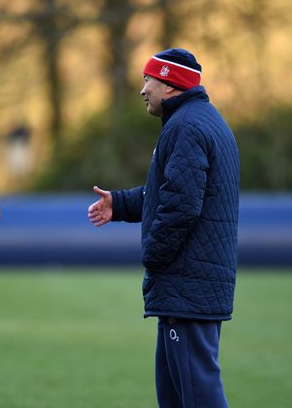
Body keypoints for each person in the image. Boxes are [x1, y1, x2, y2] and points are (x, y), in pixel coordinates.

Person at [88, 48, 239, 408]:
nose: (142, 89)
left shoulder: (186, 126)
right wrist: (121, 204)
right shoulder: (199, 120)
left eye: (148, 80)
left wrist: (153, 255)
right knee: (175, 395)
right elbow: (172, 191)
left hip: (186, 285)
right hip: (190, 284)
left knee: (198, 395)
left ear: (169, 84)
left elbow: (182, 205)